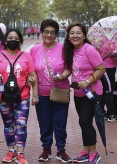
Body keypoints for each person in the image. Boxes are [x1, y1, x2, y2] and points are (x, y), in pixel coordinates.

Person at [0, 29, 39, 164]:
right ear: (5, 41)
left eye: (16, 38)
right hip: (3, 97)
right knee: (8, 124)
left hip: (23, 97)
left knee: (21, 124)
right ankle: (11, 151)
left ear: (20, 41)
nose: (12, 40)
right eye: (10, 38)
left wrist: (35, 95)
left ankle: (20, 153)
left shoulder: (26, 56)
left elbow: (33, 76)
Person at [29, 19, 72, 163]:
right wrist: (33, 91)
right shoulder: (35, 49)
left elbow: (68, 67)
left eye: (52, 33)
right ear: (41, 33)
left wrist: (63, 76)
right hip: (41, 93)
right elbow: (32, 71)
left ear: (56, 34)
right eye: (46, 32)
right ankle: (46, 149)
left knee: (60, 123)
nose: (49, 35)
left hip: (60, 92)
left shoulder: (64, 48)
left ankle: (61, 150)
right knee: (45, 123)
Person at [63, 22, 105, 164]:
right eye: (72, 33)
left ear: (84, 35)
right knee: (83, 123)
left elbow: (101, 69)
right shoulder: (70, 51)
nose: (75, 35)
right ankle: (86, 151)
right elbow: (70, 69)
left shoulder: (89, 50)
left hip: (92, 92)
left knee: (85, 121)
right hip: (78, 93)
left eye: (78, 33)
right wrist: (61, 76)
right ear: (68, 36)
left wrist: (87, 82)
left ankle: (94, 152)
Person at [100, 55, 117, 122]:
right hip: (108, 68)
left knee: (104, 90)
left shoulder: (98, 44)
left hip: (103, 67)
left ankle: (102, 112)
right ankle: (111, 114)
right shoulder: (111, 45)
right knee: (109, 91)